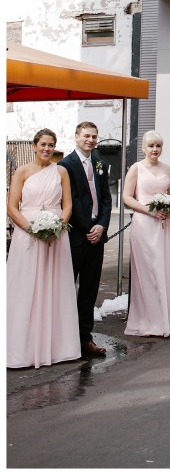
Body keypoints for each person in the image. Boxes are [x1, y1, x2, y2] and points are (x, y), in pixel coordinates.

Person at [7, 129, 81, 368]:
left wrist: (59, 226)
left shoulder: (61, 172)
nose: (47, 149)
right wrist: (31, 229)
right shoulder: (22, 171)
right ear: (34, 145)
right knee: (26, 286)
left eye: (51, 145)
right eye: (43, 144)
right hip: (27, 235)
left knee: (55, 286)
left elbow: (67, 204)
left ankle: (57, 346)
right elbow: (11, 207)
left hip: (56, 235)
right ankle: (23, 348)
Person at [58, 120, 112, 357]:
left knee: (89, 290)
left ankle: (84, 338)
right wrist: (89, 227)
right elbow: (70, 201)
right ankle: (64, 339)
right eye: (86, 136)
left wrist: (101, 226)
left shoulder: (100, 162)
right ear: (76, 137)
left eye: (94, 136)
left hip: (96, 237)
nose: (91, 140)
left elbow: (107, 198)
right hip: (76, 237)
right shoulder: (65, 165)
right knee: (67, 288)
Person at [123, 131, 170, 337]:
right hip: (144, 223)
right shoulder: (136, 168)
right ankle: (147, 320)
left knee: (163, 269)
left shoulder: (167, 169)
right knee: (147, 270)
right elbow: (127, 198)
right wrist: (150, 210)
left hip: (164, 225)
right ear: (143, 148)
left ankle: (165, 320)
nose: (155, 149)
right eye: (151, 146)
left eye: (158, 145)